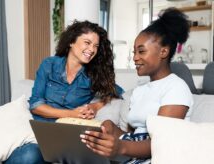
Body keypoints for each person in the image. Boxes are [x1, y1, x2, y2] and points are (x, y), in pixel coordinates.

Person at [80, 7, 193, 163]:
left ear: (163, 52)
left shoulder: (176, 88)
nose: (135, 58)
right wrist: (112, 129)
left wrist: (120, 147)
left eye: (141, 51)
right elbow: (134, 137)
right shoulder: (140, 90)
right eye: (134, 52)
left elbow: (161, 142)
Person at [4, 20, 123, 164]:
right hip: (37, 130)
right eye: (87, 42)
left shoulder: (94, 74)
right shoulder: (49, 64)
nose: (91, 49)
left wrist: (95, 106)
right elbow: (36, 105)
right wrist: (72, 113)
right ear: (71, 42)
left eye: (95, 46)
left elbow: (115, 91)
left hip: (66, 134)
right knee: (29, 156)